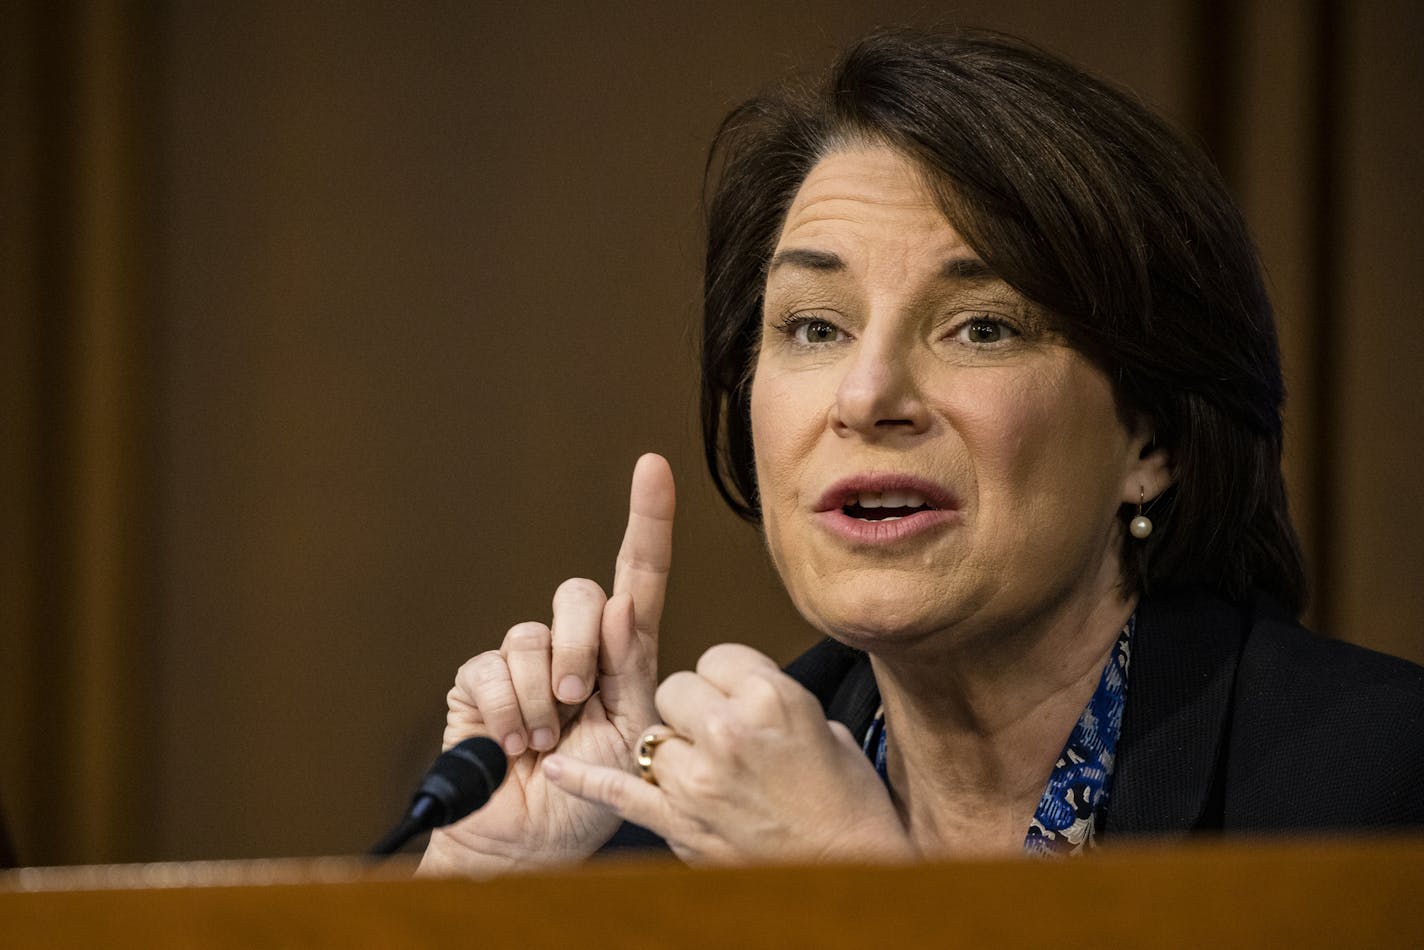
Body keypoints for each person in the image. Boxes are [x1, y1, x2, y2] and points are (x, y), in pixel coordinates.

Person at [418, 28, 1424, 873]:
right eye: (814, 326)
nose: (866, 396)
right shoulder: (653, 822)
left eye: (980, 327)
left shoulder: (1376, 786)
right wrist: (480, 895)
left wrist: (858, 903)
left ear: (1149, 436)